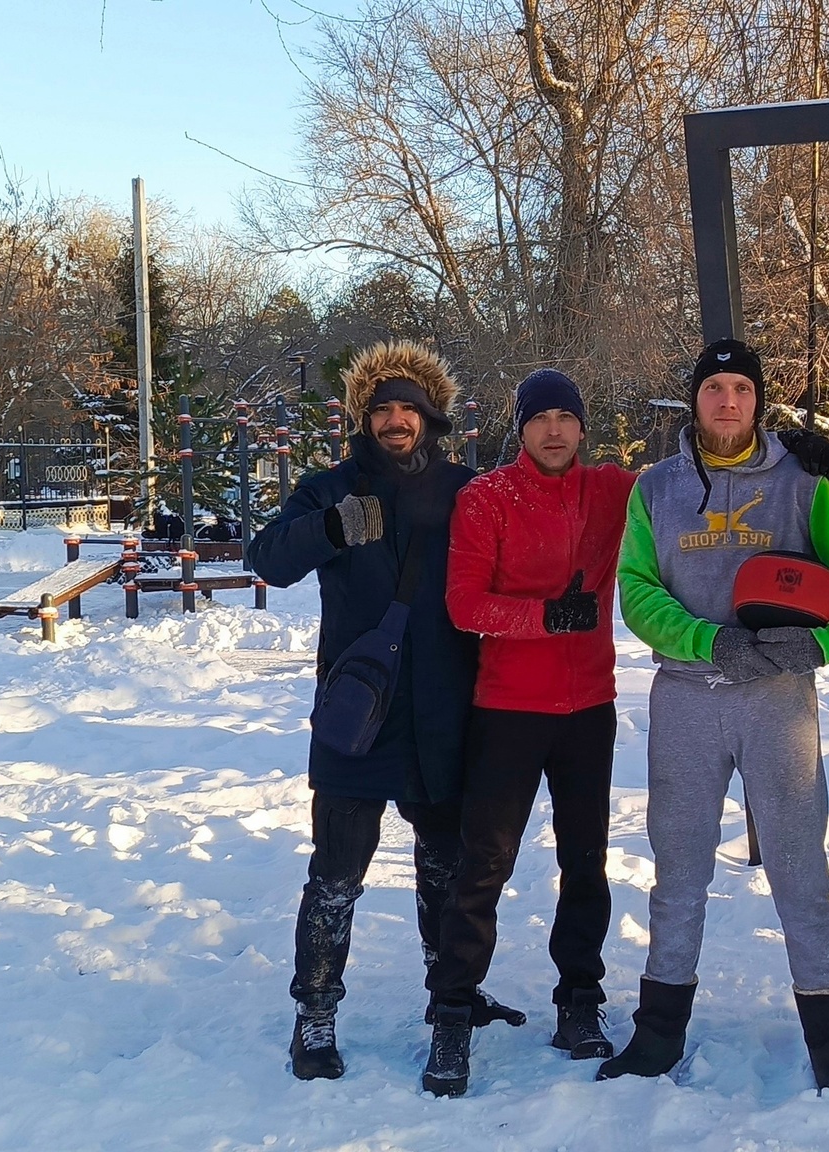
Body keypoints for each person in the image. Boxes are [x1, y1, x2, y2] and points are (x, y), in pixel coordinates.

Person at [598, 337, 829, 1095]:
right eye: (714, 387)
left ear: (759, 401)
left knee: (799, 870)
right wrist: (708, 641)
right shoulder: (654, 489)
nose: (727, 400)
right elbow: (637, 588)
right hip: (688, 696)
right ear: (693, 400)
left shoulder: (805, 485)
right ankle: (658, 1030)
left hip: (777, 702)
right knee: (679, 868)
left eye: (741, 388)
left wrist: (824, 642)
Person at [245, 340, 522, 1082]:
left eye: (409, 408)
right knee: (335, 877)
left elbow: (525, 555)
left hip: (443, 714)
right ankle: (315, 1016)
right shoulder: (330, 487)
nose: (396, 420)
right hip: (357, 717)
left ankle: (451, 998)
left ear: (432, 417)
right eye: (382, 409)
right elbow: (266, 557)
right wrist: (330, 528)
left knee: (448, 871)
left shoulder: (470, 490)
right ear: (363, 420)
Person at [419, 369, 639, 1097]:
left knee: (586, 862)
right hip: (508, 707)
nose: (553, 431)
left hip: (587, 709)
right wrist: (546, 617)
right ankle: (451, 1010)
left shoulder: (610, 490)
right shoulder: (487, 498)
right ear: (522, 429)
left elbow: (688, 481)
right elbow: (463, 603)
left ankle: (580, 999)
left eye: (565, 419)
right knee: (484, 863)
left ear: (582, 428)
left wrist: (793, 448)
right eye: (540, 419)